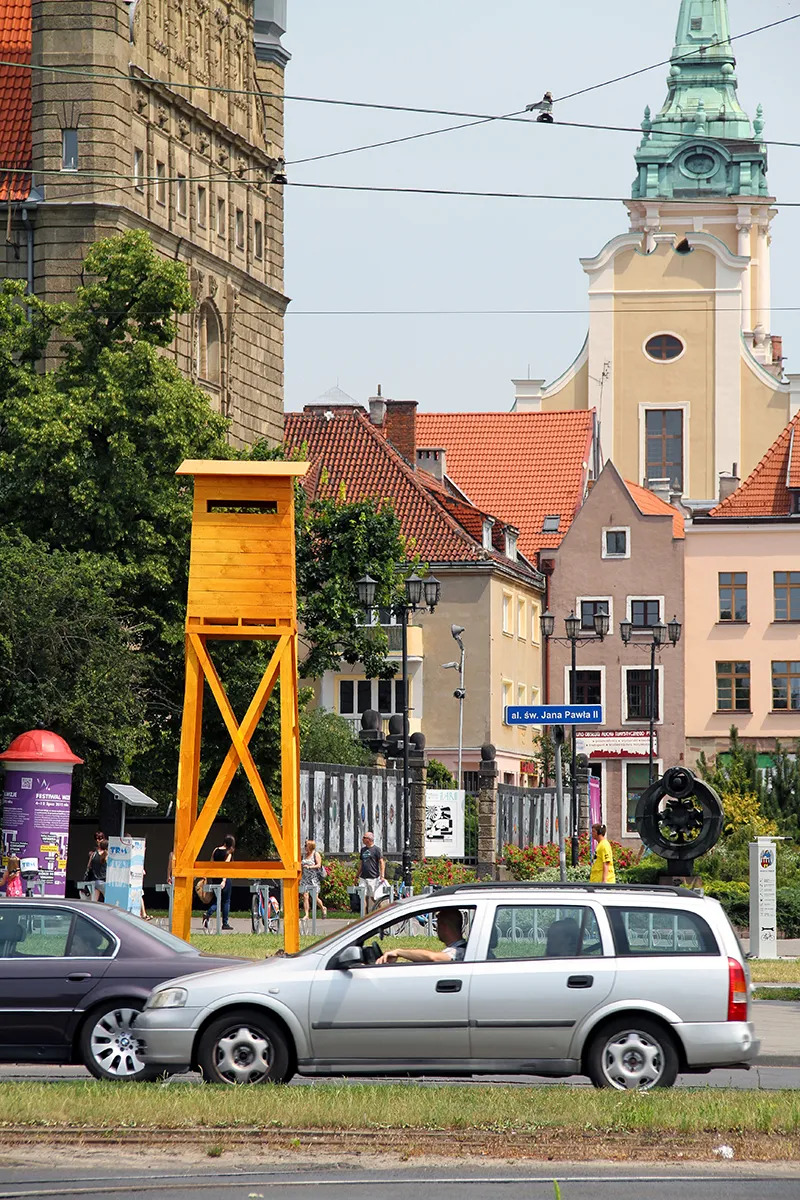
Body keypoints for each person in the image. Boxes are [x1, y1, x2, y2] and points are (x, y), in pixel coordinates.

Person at [376, 909, 467, 965]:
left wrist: (398, 952)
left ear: (444, 926)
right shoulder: (459, 948)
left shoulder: (459, 952)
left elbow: (433, 958)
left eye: (438, 924)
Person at [203, 835, 235, 931]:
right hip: (223, 879)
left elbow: (211, 863)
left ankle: (208, 914)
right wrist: (224, 880)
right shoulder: (228, 853)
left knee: (217, 899)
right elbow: (226, 868)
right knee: (226, 901)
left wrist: (208, 876)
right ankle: (224, 923)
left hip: (215, 877)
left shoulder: (216, 850)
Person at [355, 831, 385, 912]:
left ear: (369, 839)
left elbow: (381, 862)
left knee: (373, 897)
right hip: (363, 877)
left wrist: (382, 875)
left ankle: (382, 912)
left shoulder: (376, 850)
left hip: (373, 877)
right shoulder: (363, 850)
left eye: (364, 838)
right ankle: (363, 916)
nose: (362, 839)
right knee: (362, 896)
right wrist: (357, 876)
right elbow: (361, 863)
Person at [300, 839, 327, 920]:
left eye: (306, 846)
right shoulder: (304, 856)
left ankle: (323, 908)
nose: (305, 847)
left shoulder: (316, 854)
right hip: (305, 879)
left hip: (313, 879)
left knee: (315, 898)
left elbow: (319, 865)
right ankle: (306, 914)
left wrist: (309, 867)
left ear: (310, 846)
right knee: (305, 896)